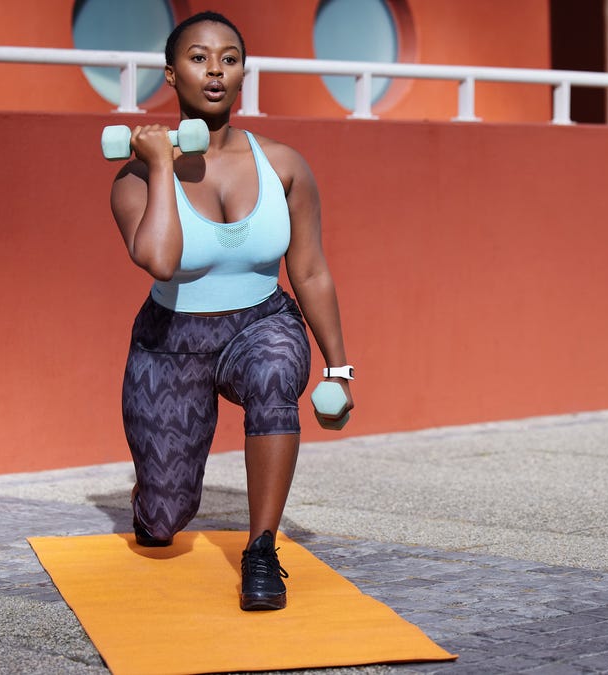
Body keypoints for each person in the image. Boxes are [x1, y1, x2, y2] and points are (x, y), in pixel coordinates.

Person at [109, 11, 354, 612]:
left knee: (274, 373)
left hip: (261, 322)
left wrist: (339, 370)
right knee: (162, 521)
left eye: (229, 57)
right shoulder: (135, 175)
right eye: (197, 57)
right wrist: (164, 164)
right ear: (170, 74)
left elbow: (312, 270)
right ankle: (156, 494)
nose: (215, 69)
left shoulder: (285, 165)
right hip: (171, 340)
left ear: (243, 72)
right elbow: (160, 261)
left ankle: (262, 550)